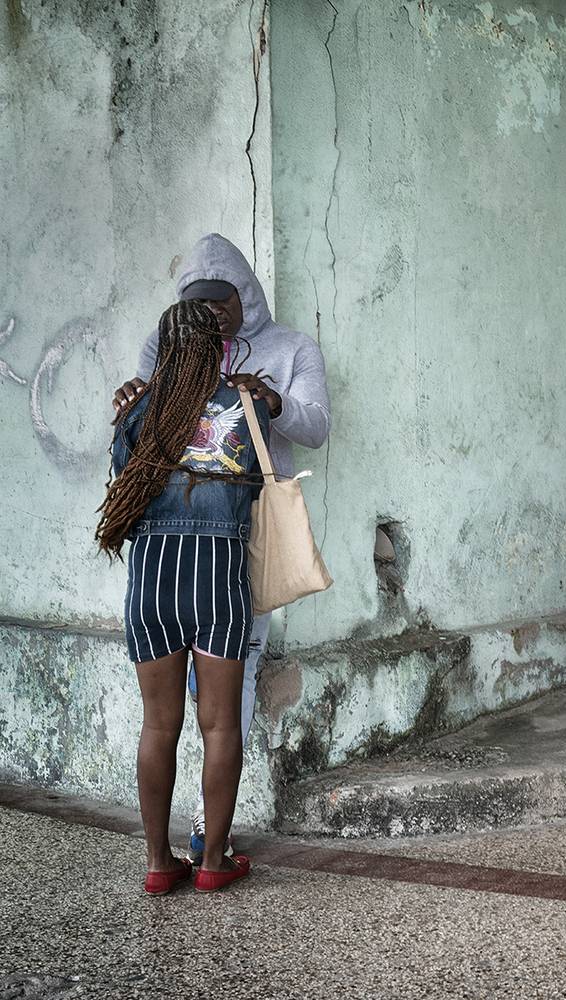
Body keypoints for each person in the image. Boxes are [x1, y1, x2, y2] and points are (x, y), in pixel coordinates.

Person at [112, 234, 331, 861]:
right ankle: (211, 860)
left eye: (224, 301)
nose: (213, 314)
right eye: (200, 304)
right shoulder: (173, 357)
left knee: (177, 715)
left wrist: (273, 402)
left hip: (209, 552)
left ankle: (176, 852)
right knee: (219, 716)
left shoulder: (290, 349)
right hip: (219, 559)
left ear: (247, 297)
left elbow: (316, 425)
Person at [99, 300, 272, 893]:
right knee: (220, 727)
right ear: (217, 349)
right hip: (218, 576)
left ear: (163, 349)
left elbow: (122, 481)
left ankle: (158, 862)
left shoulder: (138, 409)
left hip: (153, 578)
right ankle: (213, 862)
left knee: (158, 726)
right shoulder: (244, 404)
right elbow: (256, 484)